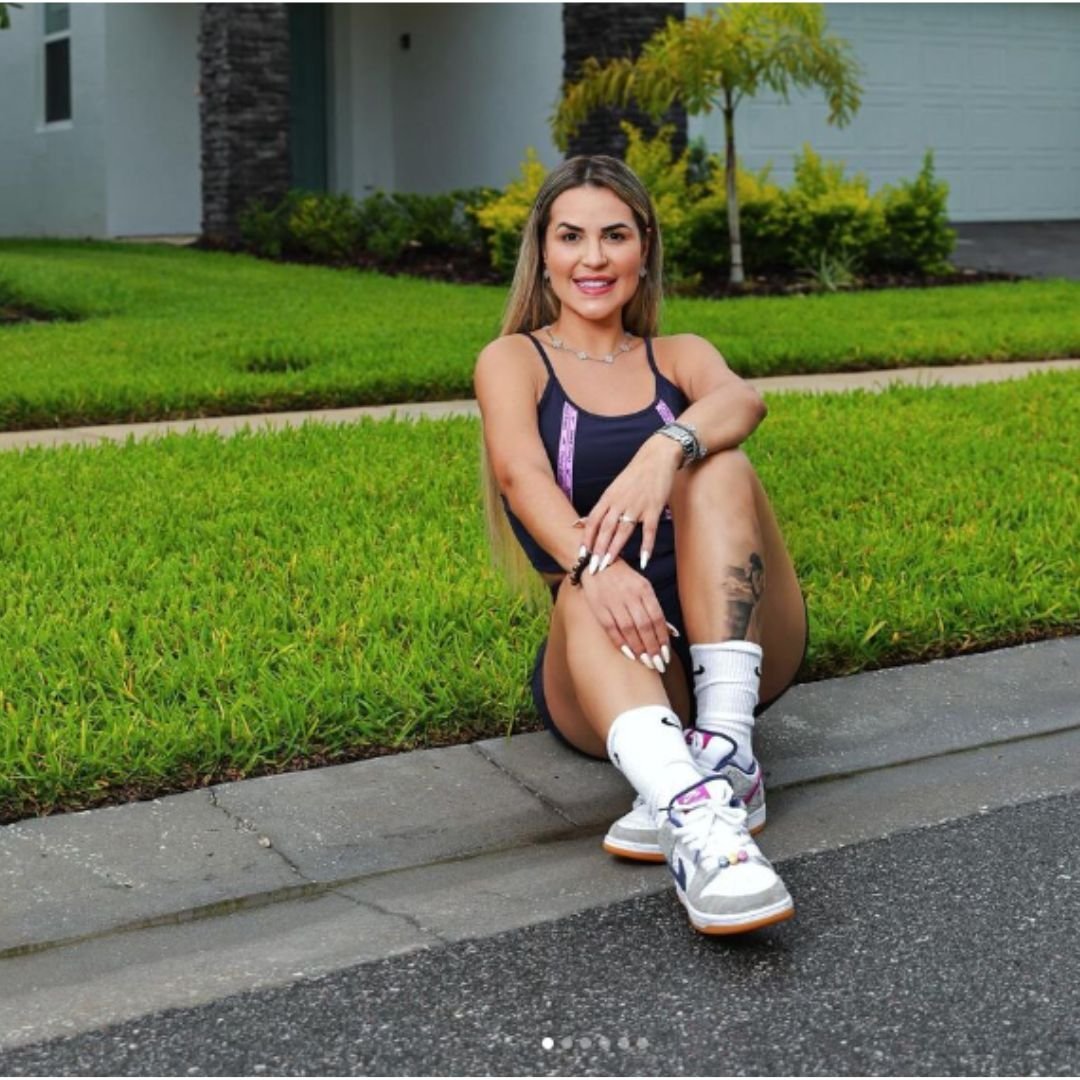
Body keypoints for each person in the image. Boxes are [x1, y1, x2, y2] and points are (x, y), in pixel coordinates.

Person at [473, 154, 810, 935]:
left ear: (645, 247)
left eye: (614, 235)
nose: (593, 258)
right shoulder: (514, 360)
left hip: (736, 651)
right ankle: (698, 824)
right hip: (612, 664)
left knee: (717, 462)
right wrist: (596, 569)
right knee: (583, 590)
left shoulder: (679, 356)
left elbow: (743, 400)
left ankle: (725, 753)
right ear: (544, 253)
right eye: (571, 237)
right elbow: (524, 481)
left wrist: (666, 448)